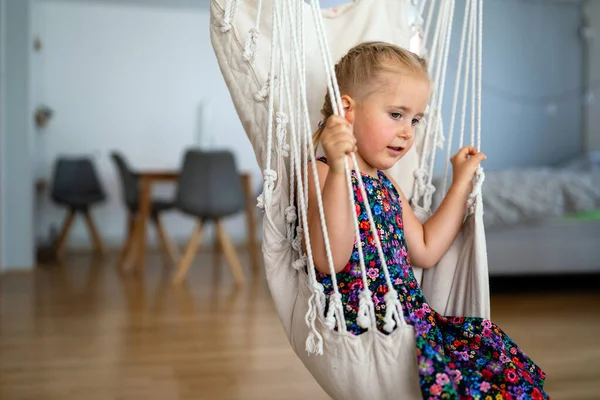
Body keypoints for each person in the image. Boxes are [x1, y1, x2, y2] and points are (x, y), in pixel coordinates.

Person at [306, 41, 548, 399]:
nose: (408, 131)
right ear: (347, 110)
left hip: (416, 321)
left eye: (415, 119)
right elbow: (330, 258)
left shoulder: (386, 185)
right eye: (396, 114)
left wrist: (461, 182)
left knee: (498, 370)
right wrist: (340, 166)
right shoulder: (323, 172)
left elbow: (426, 249)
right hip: (370, 324)